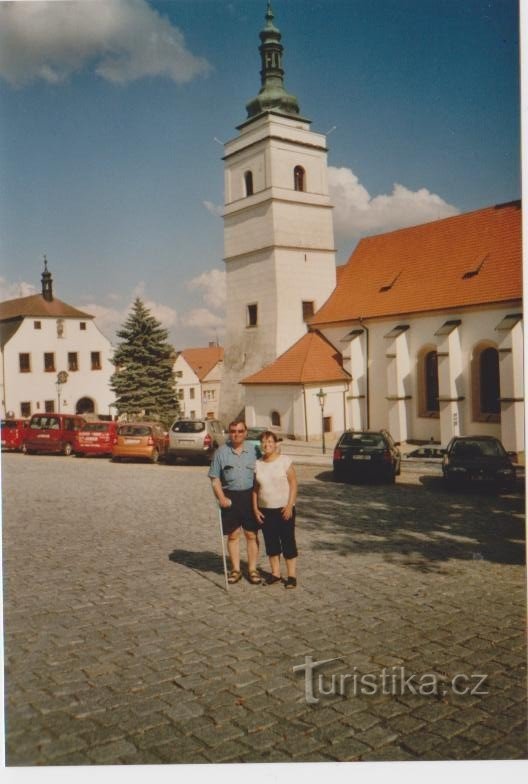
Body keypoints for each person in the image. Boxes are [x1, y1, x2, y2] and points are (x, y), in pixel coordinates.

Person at [209, 420, 261, 584]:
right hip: (230, 497)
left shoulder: (255, 450)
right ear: (229, 432)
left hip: (250, 496)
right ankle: (236, 570)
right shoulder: (221, 452)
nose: (236, 434)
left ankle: (252, 569)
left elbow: (267, 467)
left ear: (245, 433)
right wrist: (221, 498)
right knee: (233, 535)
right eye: (233, 431)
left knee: (251, 534)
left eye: (240, 431)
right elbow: (214, 478)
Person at [252, 431, 298, 588]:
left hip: (284, 509)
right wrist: (256, 509)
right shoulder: (258, 463)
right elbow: (255, 489)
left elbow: (293, 484)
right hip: (265, 510)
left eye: (270, 441)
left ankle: (291, 576)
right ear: (260, 444)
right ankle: (276, 574)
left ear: (275, 443)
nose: (267, 445)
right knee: (271, 543)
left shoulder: (284, 461)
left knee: (288, 541)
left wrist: (289, 505)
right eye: (264, 442)